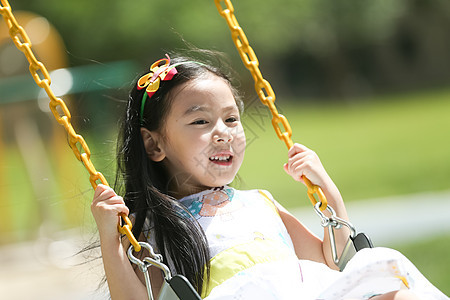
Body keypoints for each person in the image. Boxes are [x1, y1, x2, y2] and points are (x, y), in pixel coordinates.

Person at [91, 52, 448, 300]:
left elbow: (333, 259)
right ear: (155, 145)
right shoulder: (154, 225)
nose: (223, 132)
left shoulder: (259, 203)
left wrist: (327, 187)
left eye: (231, 119)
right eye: (201, 121)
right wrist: (111, 240)